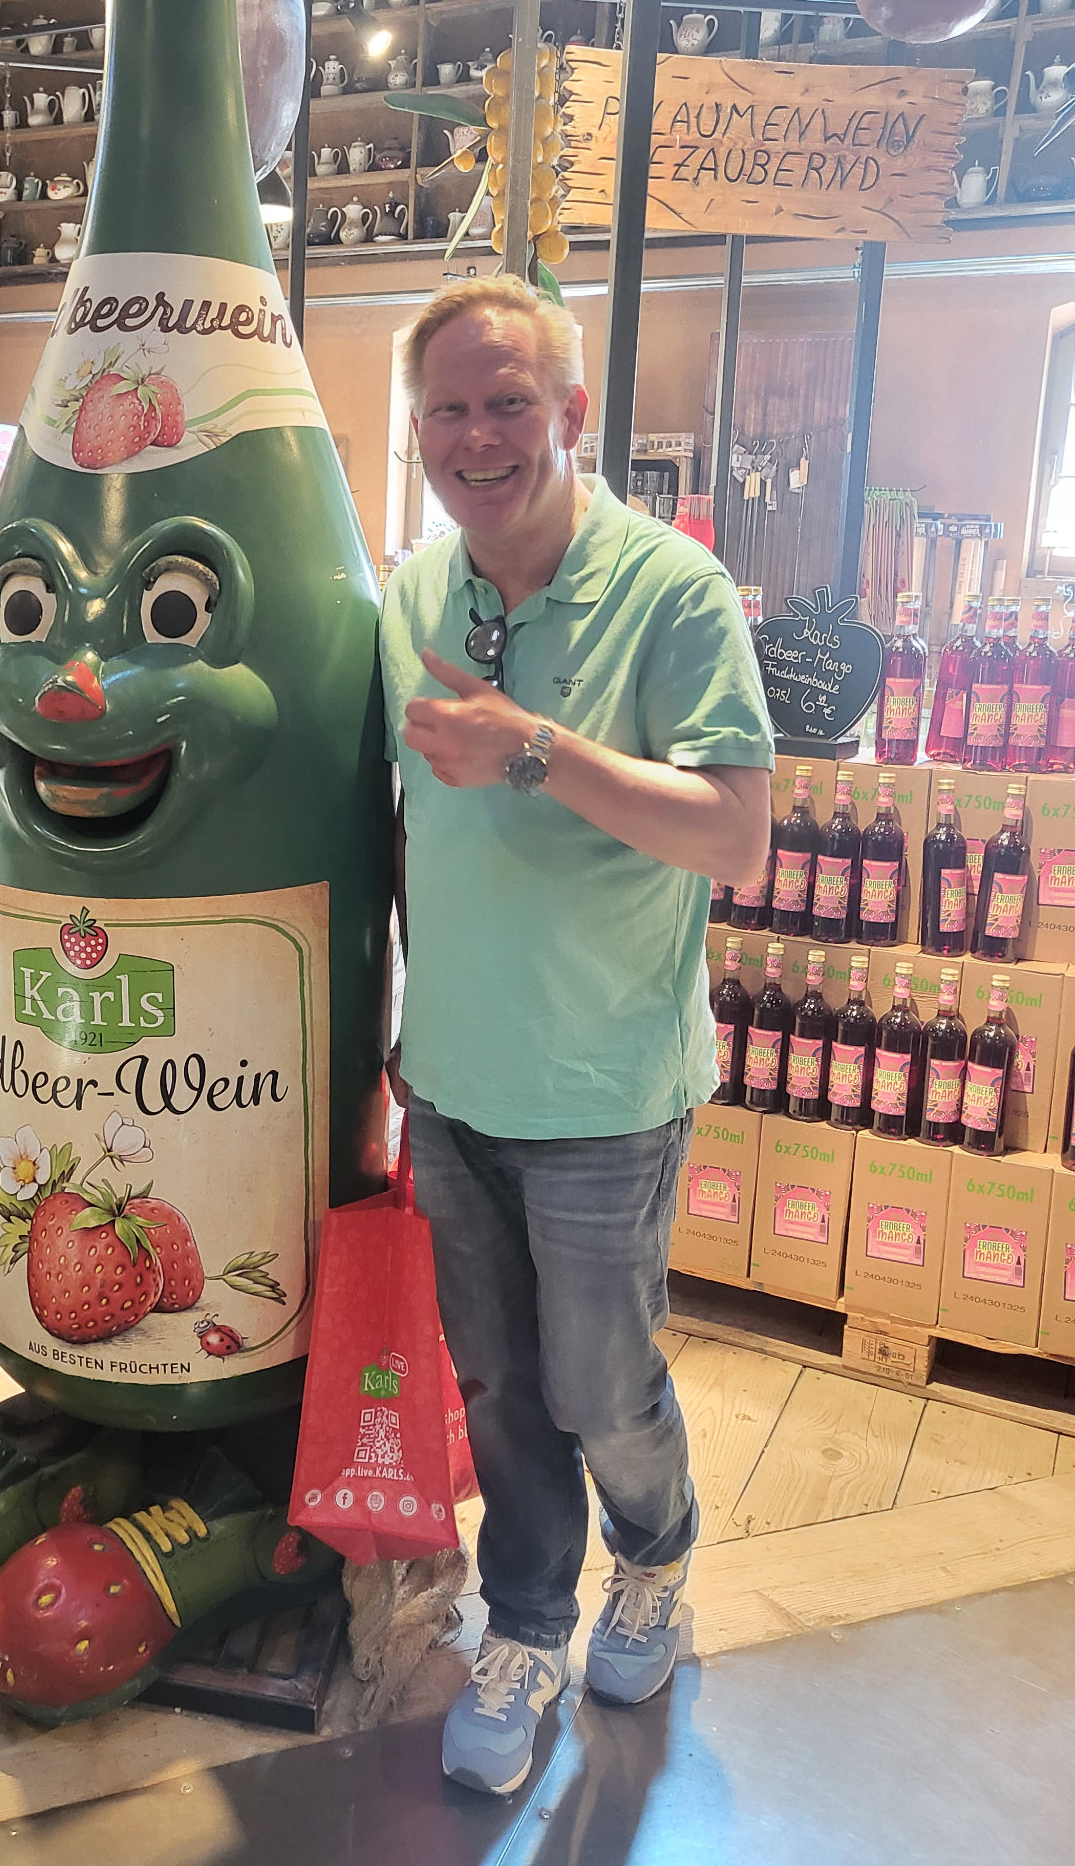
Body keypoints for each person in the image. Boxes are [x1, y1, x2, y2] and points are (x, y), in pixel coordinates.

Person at [380, 276, 773, 1797]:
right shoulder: (414, 595)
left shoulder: (673, 592)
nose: (478, 436)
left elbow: (736, 833)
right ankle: (528, 1623)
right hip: (452, 1076)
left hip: (607, 1084)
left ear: (572, 413)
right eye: (449, 408)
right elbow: (395, 823)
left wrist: (534, 748)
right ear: (418, 427)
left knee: (599, 1384)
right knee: (497, 1388)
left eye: (509, 403)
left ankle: (656, 1557)